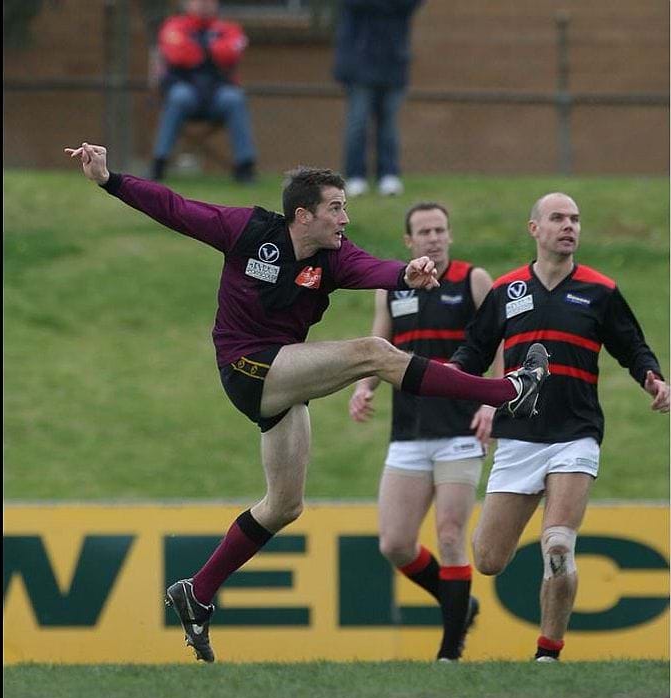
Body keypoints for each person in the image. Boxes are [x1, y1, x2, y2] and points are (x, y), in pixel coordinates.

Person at [64, 141, 550, 662]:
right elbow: (178, 210)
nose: (346, 217)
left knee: (284, 505)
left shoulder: (334, 257)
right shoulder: (248, 230)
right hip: (245, 368)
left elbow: (374, 269)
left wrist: (405, 273)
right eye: (336, 207)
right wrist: (110, 179)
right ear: (303, 215)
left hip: (283, 377)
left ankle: (196, 592)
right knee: (373, 352)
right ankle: (508, 392)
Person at [448, 192, 668, 662]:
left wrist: (653, 378)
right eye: (558, 218)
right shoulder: (506, 290)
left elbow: (633, 348)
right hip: (518, 438)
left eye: (575, 219)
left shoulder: (599, 290)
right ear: (535, 229)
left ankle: (547, 653)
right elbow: (474, 349)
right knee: (487, 559)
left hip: (575, 435)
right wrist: (451, 377)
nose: (569, 226)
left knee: (558, 544)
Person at [348, 202, 495, 660]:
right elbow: (381, 343)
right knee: (394, 543)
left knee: (451, 534)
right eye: (424, 232)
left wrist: (494, 402)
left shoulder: (474, 280)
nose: (434, 237)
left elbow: (504, 341)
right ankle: (459, 605)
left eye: (440, 230)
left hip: (459, 431)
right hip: (408, 431)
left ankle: (449, 652)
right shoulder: (393, 290)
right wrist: (365, 387)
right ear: (409, 242)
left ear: (449, 235)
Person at [150, 0, 257, 183]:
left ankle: (245, 166)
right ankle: (159, 163)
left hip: (218, 93)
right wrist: (211, 50)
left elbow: (231, 51)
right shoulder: (174, 25)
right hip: (187, 90)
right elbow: (178, 54)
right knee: (178, 97)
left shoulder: (229, 28)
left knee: (234, 99)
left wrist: (199, 48)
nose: (204, 5)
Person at [333, 0, 424, 198]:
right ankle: (355, 175)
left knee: (388, 124)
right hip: (359, 62)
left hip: (394, 61)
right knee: (358, 123)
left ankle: (388, 174)